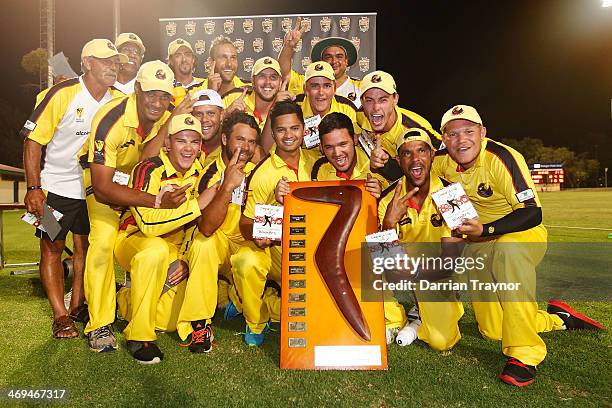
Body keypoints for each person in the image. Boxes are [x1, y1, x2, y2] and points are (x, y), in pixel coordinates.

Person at [432, 105, 604, 387]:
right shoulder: (441, 160)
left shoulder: (502, 157)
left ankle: (525, 354)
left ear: (483, 132)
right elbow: (407, 165)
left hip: (522, 235)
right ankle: (557, 319)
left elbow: (532, 213)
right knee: (493, 330)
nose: (461, 139)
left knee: (508, 251)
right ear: (443, 138)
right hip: (481, 243)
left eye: (468, 131)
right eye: (452, 134)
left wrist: (486, 229)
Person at [21, 38, 126, 339]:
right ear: (87, 63)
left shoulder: (119, 99)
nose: (113, 66)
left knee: (86, 248)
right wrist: (33, 188)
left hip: (97, 191)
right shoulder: (63, 94)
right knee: (52, 247)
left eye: (115, 61)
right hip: (57, 189)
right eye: (105, 61)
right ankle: (60, 315)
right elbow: (33, 142)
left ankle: (78, 303)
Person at [83, 60, 187, 352]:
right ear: (137, 89)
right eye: (151, 93)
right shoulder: (111, 117)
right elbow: (103, 188)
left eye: (164, 95)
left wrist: (170, 122)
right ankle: (100, 324)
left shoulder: (166, 114)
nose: (158, 102)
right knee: (102, 242)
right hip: (105, 188)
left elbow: (148, 158)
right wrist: (154, 200)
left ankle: (131, 298)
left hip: (139, 187)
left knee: (155, 245)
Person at [114, 113, 214, 364]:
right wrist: (197, 205)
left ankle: (123, 298)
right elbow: (147, 224)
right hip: (135, 239)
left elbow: (197, 227)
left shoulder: (201, 171)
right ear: (168, 143)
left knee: (169, 321)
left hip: (175, 248)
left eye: (194, 141)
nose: (188, 148)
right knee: (154, 250)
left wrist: (185, 259)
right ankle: (139, 335)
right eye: (181, 141)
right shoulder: (148, 168)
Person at [310, 112, 409, 344]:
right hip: (347, 242)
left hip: (385, 241)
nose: (337, 153)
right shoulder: (319, 170)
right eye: (329, 147)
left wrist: (377, 195)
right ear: (322, 148)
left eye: (343, 144)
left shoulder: (375, 165)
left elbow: (405, 193)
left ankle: (397, 317)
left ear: (355, 140)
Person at [231, 101, 319, 346]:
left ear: (303, 130)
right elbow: (245, 224)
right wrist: (257, 235)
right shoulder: (262, 173)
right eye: (281, 130)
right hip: (276, 253)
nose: (288, 135)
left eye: (294, 128)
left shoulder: (317, 163)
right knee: (245, 261)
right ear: (272, 133)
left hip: (313, 252)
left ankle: (247, 299)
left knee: (314, 314)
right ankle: (255, 320)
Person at [176, 111, 259, 353]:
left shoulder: (258, 171)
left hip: (247, 242)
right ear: (224, 139)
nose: (245, 147)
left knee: (253, 262)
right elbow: (207, 226)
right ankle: (200, 324)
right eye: (240, 139)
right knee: (203, 243)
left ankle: (251, 311)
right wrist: (227, 185)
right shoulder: (210, 172)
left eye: (251, 141)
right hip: (220, 242)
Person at [378, 128, 465, 349]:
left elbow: (452, 264)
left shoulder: (453, 193)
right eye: (407, 153)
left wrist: (417, 273)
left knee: (441, 341)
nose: (415, 159)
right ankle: (397, 318)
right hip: (402, 272)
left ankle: (423, 318)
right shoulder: (387, 199)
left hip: (437, 274)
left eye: (421, 151)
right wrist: (388, 224)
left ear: (432, 155)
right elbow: (381, 260)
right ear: (398, 160)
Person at [359, 71, 441, 181]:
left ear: (395, 99)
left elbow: (445, 155)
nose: (376, 107)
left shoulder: (414, 128)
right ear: (362, 102)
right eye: (369, 100)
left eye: (383, 100)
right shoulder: (358, 116)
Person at [279, 18, 362, 107]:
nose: (334, 61)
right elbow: (284, 72)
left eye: (339, 56)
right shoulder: (307, 82)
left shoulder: (360, 87)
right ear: (321, 62)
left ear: (346, 61)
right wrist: (288, 46)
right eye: (328, 57)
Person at [223, 57, 293, 130]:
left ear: (280, 82)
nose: (267, 82)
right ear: (253, 81)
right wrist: (226, 114)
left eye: (273, 77)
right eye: (262, 76)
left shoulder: (288, 111)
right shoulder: (233, 99)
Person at [190, 89, 225, 164]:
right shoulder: (185, 145)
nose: (204, 119)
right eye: (199, 114)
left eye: (210, 113)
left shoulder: (230, 145)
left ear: (221, 115)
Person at [167, 38, 204, 104]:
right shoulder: (166, 88)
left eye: (188, 55)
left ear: (193, 59)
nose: (184, 59)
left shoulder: (205, 84)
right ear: (171, 61)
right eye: (178, 55)